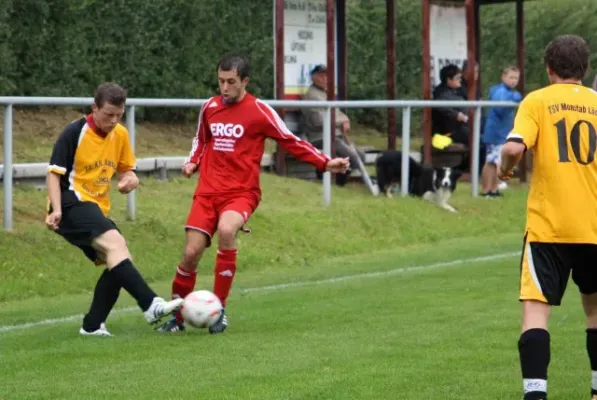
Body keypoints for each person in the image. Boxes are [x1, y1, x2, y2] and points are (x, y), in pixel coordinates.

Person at [158, 53, 350, 334]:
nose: (225, 88)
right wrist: (192, 160)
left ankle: (219, 310)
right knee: (191, 252)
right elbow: (201, 139)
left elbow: (291, 140)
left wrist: (324, 162)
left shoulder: (259, 111)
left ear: (245, 81)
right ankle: (176, 318)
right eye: (221, 81)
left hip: (241, 192)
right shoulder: (209, 107)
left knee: (226, 230)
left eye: (231, 82)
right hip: (207, 192)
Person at [499, 35, 597, 400]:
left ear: (549, 68)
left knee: (536, 317)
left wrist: (506, 169)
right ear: (584, 69)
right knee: (595, 314)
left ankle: (536, 396)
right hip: (594, 226)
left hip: (548, 229)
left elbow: (513, 146)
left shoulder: (537, 100)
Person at [45, 82, 183, 336]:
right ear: (94, 107)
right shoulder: (74, 133)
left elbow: (126, 168)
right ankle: (151, 305)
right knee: (115, 244)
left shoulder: (120, 134)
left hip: (95, 208)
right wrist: (56, 209)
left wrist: (131, 178)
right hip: (70, 201)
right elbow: (54, 174)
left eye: (119, 115)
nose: (113, 120)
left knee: (119, 261)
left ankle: (93, 325)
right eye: (108, 114)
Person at [301, 64, 365, 186]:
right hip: (320, 137)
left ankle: (338, 183)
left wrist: (344, 119)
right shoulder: (312, 96)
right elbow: (318, 121)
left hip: (335, 136)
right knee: (352, 157)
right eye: (321, 76)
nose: (325, 79)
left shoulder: (325, 94)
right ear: (313, 77)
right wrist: (341, 121)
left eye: (327, 76)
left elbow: (338, 113)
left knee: (360, 154)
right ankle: (332, 181)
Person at [481, 66, 522, 197]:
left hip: (503, 134)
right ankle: (487, 190)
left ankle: (493, 190)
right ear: (503, 77)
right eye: (511, 77)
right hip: (494, 133)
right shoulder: (499, 91)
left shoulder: (511, 93)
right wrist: (515, 97)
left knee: (497, 161)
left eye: (516, 78)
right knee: (491, 162)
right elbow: (500, 108)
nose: (513, 81)